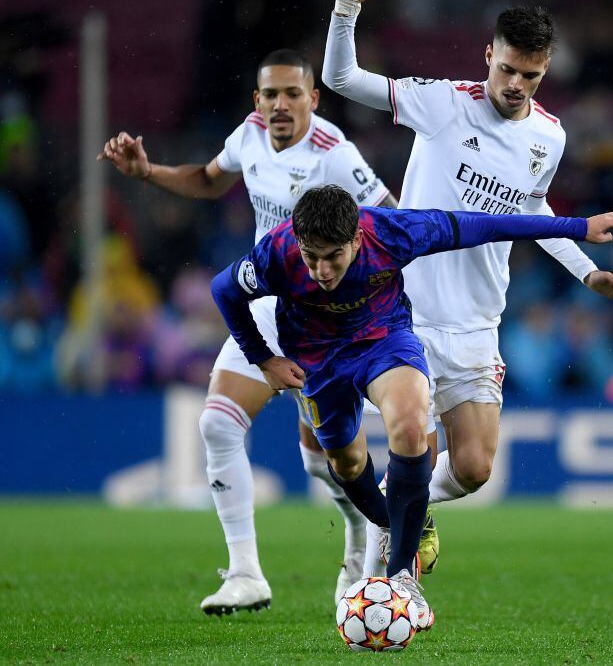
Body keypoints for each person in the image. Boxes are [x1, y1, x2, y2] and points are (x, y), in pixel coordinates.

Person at [322, 0, 613, 576]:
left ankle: (401, 506)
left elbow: (532, 210)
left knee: (473, 468)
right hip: (406, 313)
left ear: (545, 70)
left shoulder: (547, 137)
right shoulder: (444, 103)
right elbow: (340, 78)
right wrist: (345, 8)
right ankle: (382, 569)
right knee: (401, 441)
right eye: (507, 70)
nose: (515, 85)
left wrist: (586, 271)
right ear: (489, 57)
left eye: (530, 76)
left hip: (477, 321)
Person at [210, 184, 613, 630]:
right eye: (311, 256)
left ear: (357, 238)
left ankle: (400, 578)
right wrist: (263, 358)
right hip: (317, 359)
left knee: (413, 427)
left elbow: (486, 225)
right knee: (347, 460)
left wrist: (578, 227)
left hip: (385, 341)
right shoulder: (276, 253)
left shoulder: (392, 232)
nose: (320, 269)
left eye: (333, 255)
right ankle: (398, 520)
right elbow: (224, 291)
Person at [97, 49, 416, 614]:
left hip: (326, 315)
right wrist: (148, 173)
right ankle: (246, 573)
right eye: (270, 95)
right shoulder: (247, 135)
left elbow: (390, 221)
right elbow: (207, 180)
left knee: (323, 461)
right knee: (217, 423)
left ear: (314, 99)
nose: (280, 105)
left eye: (293, 94)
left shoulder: (335, 154)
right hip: (267, 305)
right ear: (257, 102)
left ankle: (361, 533)